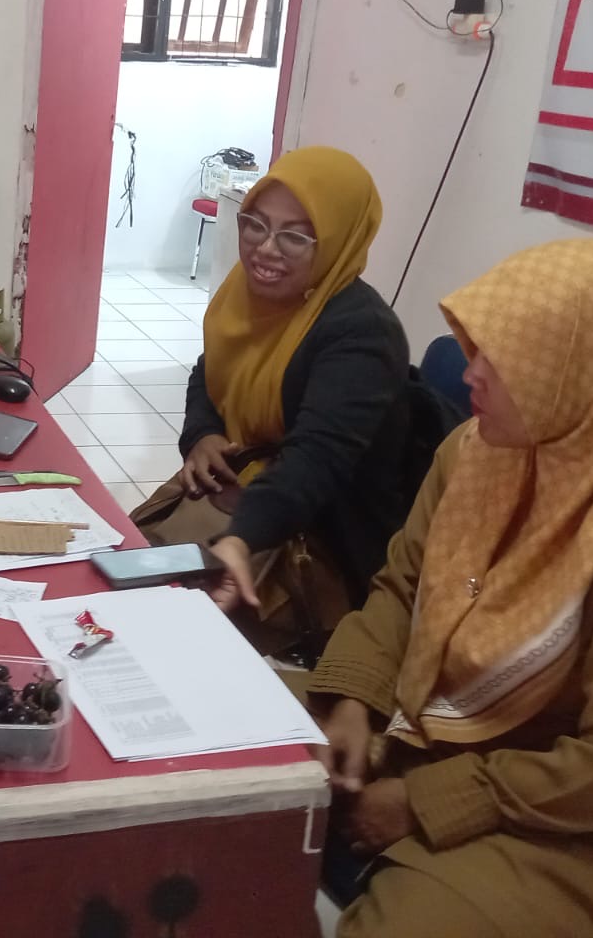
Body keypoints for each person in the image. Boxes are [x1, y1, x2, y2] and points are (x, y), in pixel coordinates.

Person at [309, 239, 593, 938]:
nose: (471, 372)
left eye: (506, 357)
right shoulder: (479, 454)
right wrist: (353, 702)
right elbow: (403, 587)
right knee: (221, 761)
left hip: (588, 830)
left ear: (587, 374)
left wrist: (421, 801)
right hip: (429, 738)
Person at [135, 146, 421, 655]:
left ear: (338, 239)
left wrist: (242, 538)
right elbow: (210, 370)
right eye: (256, 225)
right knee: (124, 571)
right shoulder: (249, 296)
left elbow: (314, 462)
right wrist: (202, 433)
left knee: (163, 634)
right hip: (248, 500)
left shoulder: (362, 333)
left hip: (321, 542)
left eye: (295, 235)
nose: (265, 249)